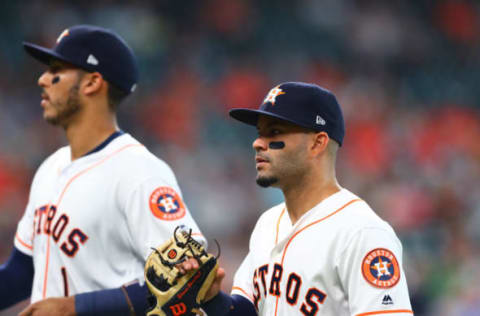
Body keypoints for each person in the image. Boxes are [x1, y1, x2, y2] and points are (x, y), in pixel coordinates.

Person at [0, 25, 205, 316]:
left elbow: (189, 276)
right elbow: (22, 273)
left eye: (56, 70)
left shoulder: (138, 171)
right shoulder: (49, 168)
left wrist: (76, 307)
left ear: (92, 83)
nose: (42, 79)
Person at [192, 82, 413, 315]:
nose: (257, 143)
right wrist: (213, 299)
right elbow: (247, 310)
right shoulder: (267, 224)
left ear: (317, 143)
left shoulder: (361, 233)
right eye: (260, 133)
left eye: (274, 132)